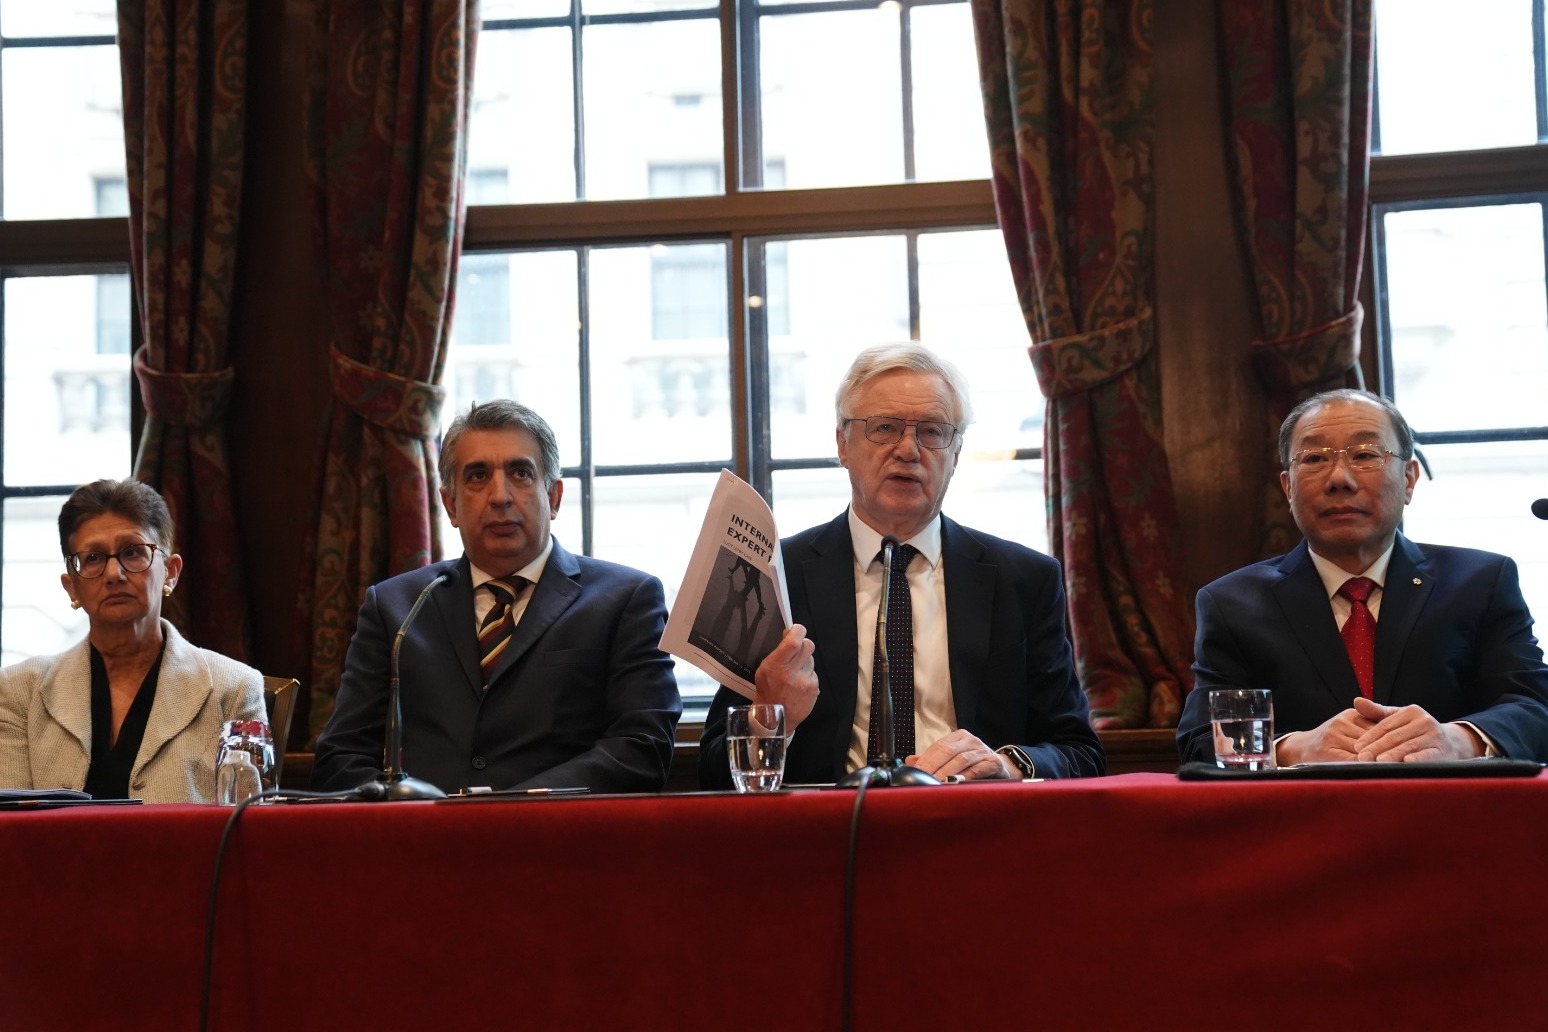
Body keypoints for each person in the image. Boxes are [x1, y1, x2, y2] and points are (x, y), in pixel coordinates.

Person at [699, 343, 1104, 787]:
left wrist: (1007, 765)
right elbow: (713, 770)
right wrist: (771, 720)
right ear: (842, 444)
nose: (908, 449)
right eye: (884, 428)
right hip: (829, 824)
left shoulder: (1024, 580)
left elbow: (1079, 752)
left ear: (956, 454)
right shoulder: (778, 575)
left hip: (970, 818)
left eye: (932, 431)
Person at [313, 400, 681, 794]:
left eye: (521, 473)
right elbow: (340, 757)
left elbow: (642, 748)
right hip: (423, 829)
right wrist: (414, 810)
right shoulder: (395, 608)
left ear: (554, 497)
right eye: (478, 476)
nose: (500, 496)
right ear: (451, 505)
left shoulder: (626, 600)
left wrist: (511, 809)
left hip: (559, 829)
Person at [1177, 389, 1548, 765]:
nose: (1340, 479)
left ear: (1408, 479)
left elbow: (1534, 707)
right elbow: (1200, 740)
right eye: (1315, 458)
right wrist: (1293, 748)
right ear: (1288, 488)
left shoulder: (1480, 583)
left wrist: (1460, 740)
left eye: (1366, 455)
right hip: (1305, 804)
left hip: (1449, 801)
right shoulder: (1233, 604)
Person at [0, 479, 266, 802]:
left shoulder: (234, 689)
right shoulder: (18, 693)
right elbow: (10, 825)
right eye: (94, 558)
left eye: (132, 552)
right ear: (71, 587)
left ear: (170, 572)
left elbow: (248, 823)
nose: (114, 574)